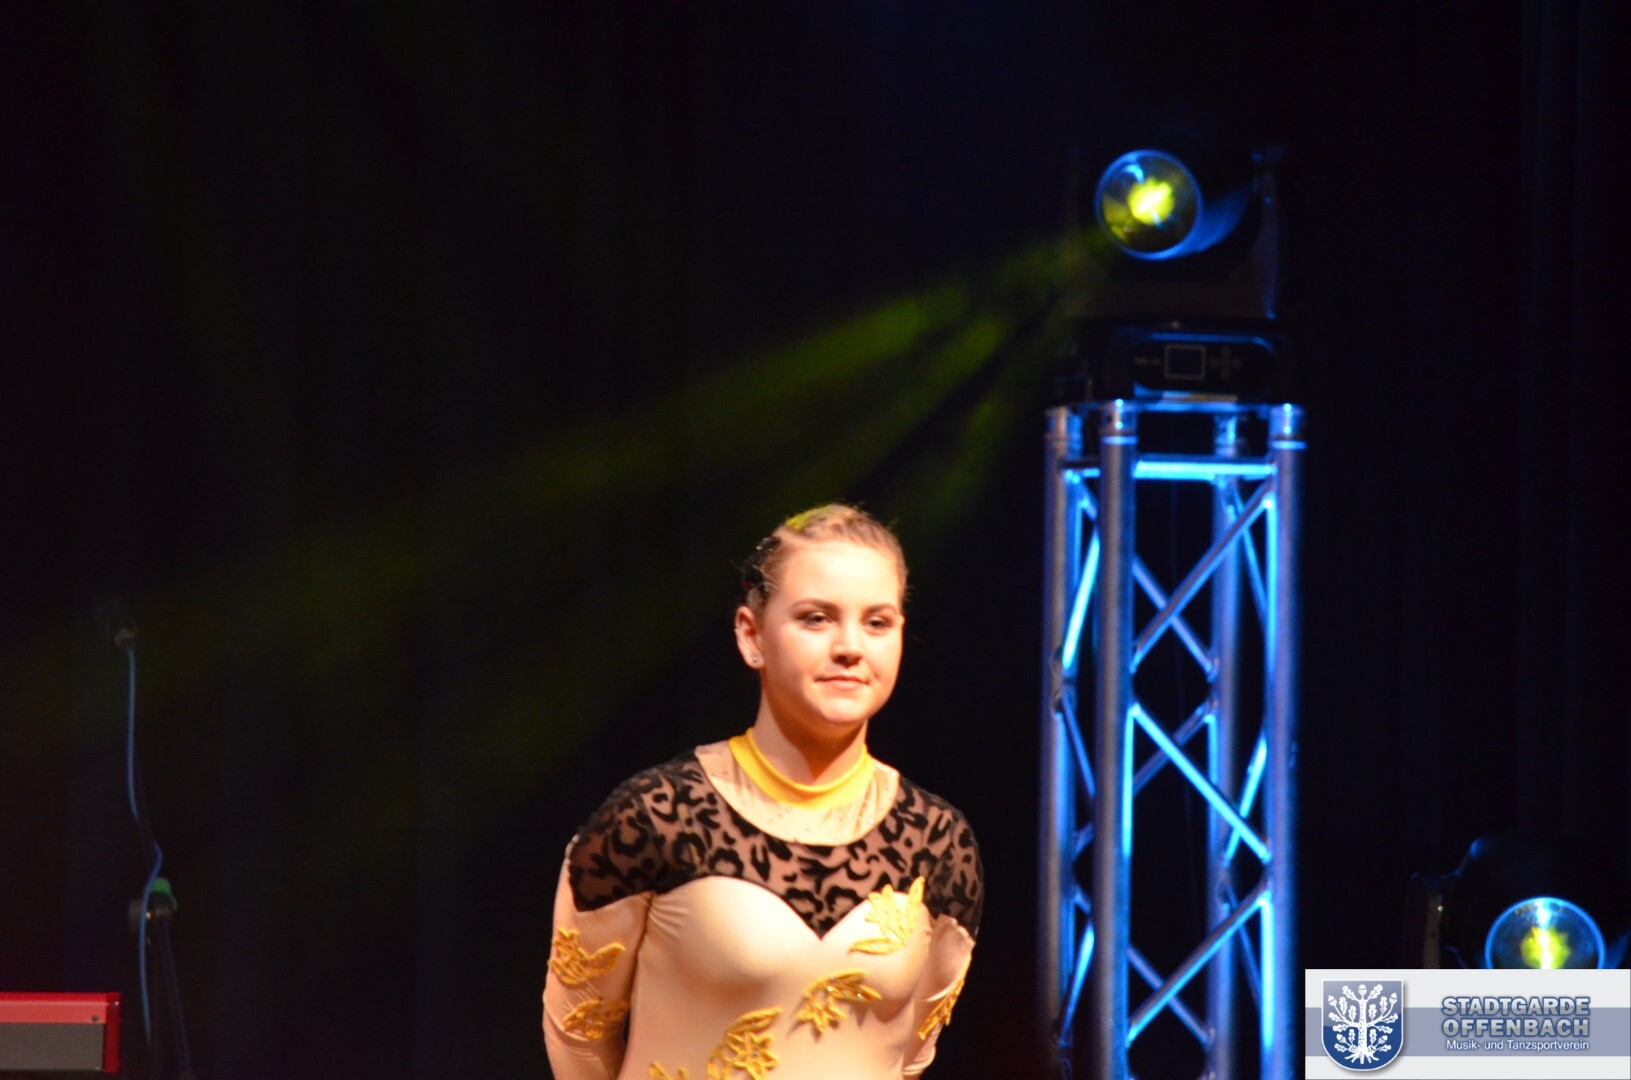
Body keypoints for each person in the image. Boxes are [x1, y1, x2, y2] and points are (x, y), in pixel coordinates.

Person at [543, 504, 982, 1080]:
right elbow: (577, 1038)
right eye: (817, 618)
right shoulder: (652, 818)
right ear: (752, 635)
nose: (850, 647)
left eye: (877, 622)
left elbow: (912, 1054)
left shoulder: (939, 841)